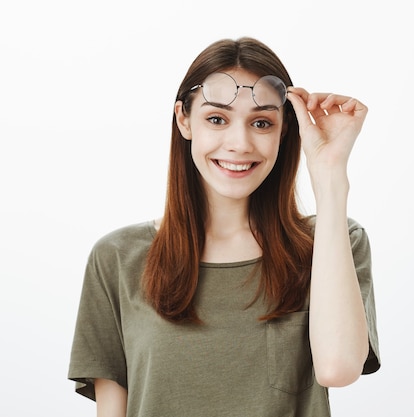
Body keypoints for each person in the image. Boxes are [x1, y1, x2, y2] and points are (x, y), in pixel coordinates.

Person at [68, 36, 380, 416]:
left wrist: (330, 176)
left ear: (284, 132)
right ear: (184, 120)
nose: (239, 143)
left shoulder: (332, 242)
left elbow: (338, 368)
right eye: (217, 119)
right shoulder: (117, 258)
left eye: (262, 122)